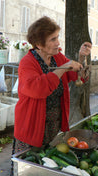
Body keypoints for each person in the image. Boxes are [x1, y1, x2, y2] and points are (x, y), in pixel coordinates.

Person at [12, 16, 92, 154]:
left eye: (57, 37)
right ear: (39, 44)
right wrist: (63, 68)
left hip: (52, 128)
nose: (58, 43)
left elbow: (73, 75)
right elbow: (38, 89)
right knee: (28, 170)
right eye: (53, 39)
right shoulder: (27, 63)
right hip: (32, 129)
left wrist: (81, 58)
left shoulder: (57, 57)